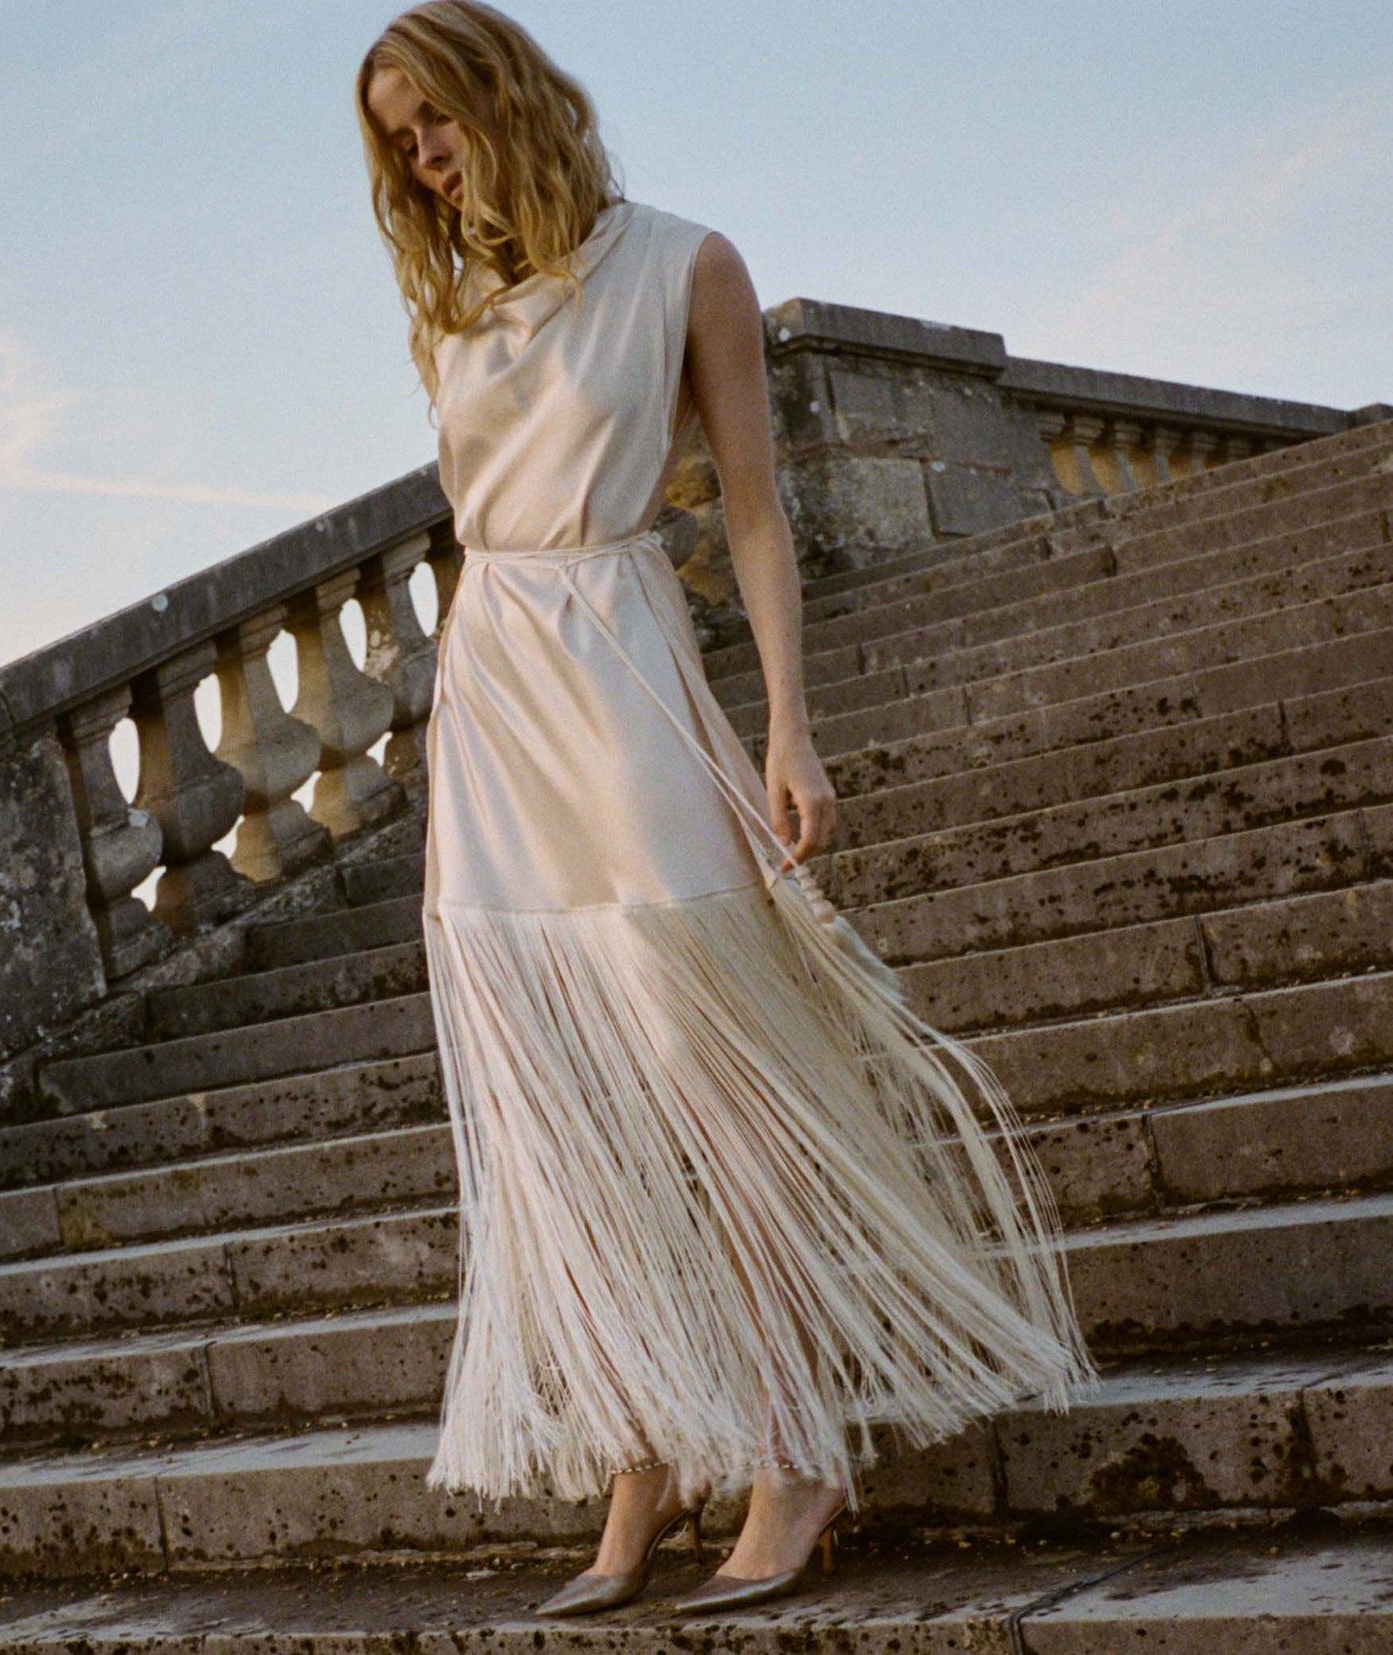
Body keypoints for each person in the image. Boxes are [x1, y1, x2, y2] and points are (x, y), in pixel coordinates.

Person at [356, 0, 1098, 1618]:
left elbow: (753, 515)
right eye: (398, 136)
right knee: (561, 1101)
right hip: (490, 694)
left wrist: (789, 731)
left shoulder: (682, 263)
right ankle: (647, 1443)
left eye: (437, 117)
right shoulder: (456, 310)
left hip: (616, 654)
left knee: (714, 1074)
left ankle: (790, 1442)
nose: (421, 158)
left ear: (509, 96)